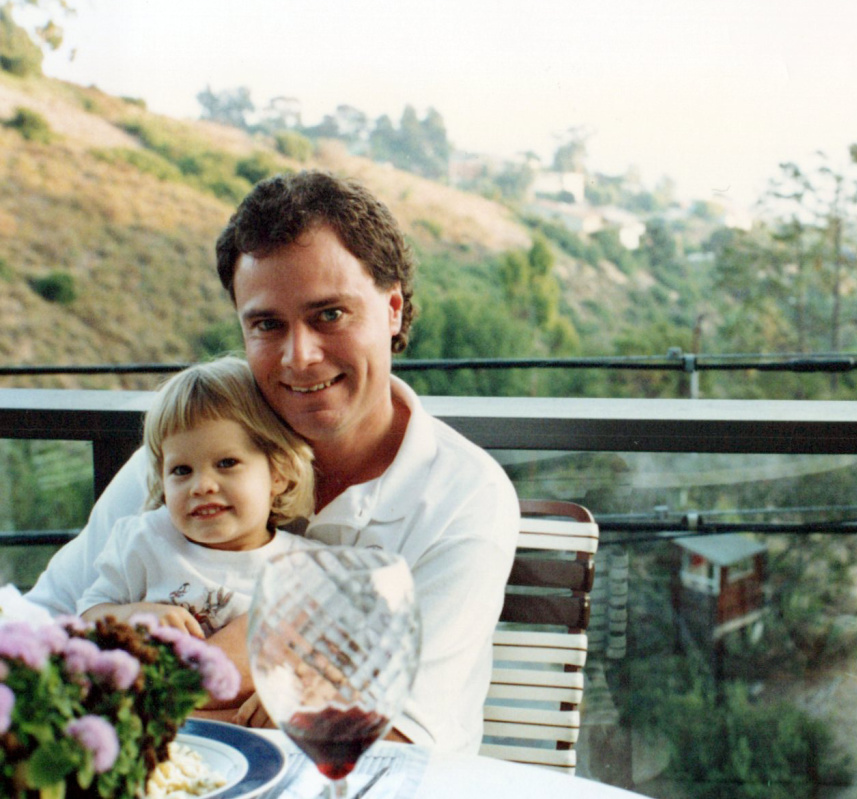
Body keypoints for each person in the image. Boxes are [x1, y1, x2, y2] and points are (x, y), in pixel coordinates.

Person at [27, 170, 521, 754]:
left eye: (329, 315)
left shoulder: (462, 496)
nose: (299, 356)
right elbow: (44, 628)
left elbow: (399, 735)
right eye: (267, 324)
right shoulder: (188, 460)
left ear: (391, 310)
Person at [78, 356, 315, 638]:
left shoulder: (304, 567)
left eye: (226, 463)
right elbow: (86, 617)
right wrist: (133, 614)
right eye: (181, 470)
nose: (201, 486)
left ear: (278, 473)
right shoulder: (144, 542)